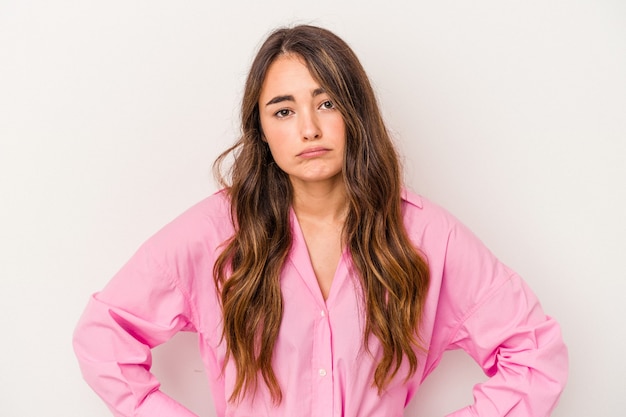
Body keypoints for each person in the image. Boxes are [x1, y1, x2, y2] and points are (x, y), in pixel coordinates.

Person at [73, 24, 568, 417]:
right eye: (283, 111)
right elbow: (103, 334)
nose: (308, 128)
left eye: (326, 102)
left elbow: (534, 352)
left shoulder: (426, 236)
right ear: (261, 130)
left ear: (356, 113)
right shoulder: (213, 234)